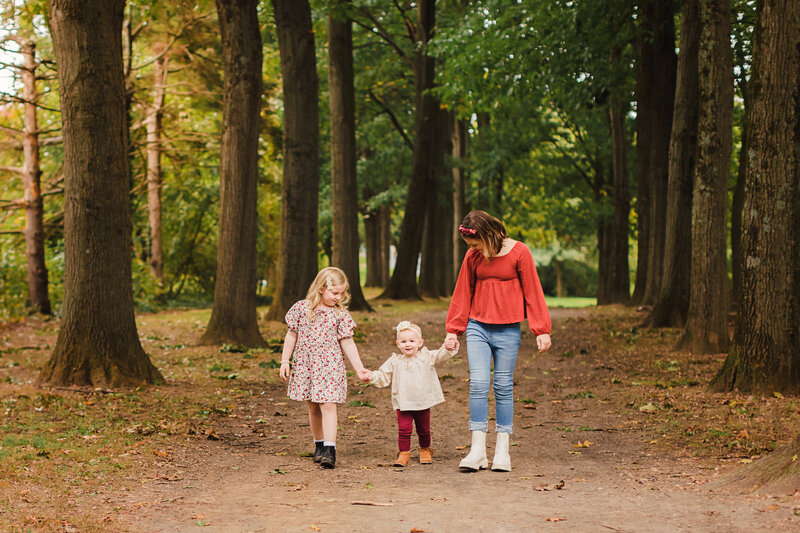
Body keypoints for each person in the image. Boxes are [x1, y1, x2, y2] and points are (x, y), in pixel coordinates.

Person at [444, 210, 552, 472]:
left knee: (503, 385)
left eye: (475, 243)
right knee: (479, 383)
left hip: (508, 330)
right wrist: (453, 329)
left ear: (488, 235)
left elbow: (533, 291)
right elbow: (462, 291)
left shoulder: (519, 252)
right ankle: (477, 450)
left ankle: (502, 450)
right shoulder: (474, 256)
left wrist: (542, 329)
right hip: (477, 326)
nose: (472, 248)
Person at [279, 267, 371, 469]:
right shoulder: (302, 309)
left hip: (330, 365)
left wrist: (359, 368)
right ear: (321, 289)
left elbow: (348, 342)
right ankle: (319, 444)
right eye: (334, 292)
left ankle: (330, 449)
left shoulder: (340, 315)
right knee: (313, 405)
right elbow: (291, 335)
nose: (338, 297)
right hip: (307, 364)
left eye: (341, 293)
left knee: (328, 404)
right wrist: (285, 361)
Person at [367, 321, 460, 467]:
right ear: (398, 344)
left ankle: (425, 449)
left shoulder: (425, 357)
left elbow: (441, 355)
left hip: (422, 401)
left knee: (423, 429)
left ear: (420, 342)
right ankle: (404, 453)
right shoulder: (395, 361)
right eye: (403, 341)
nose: (408, 344)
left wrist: (448, 347)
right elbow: (383, 375)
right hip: (403, 403)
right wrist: (371, 376)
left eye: (412, 341)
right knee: (404, 430)